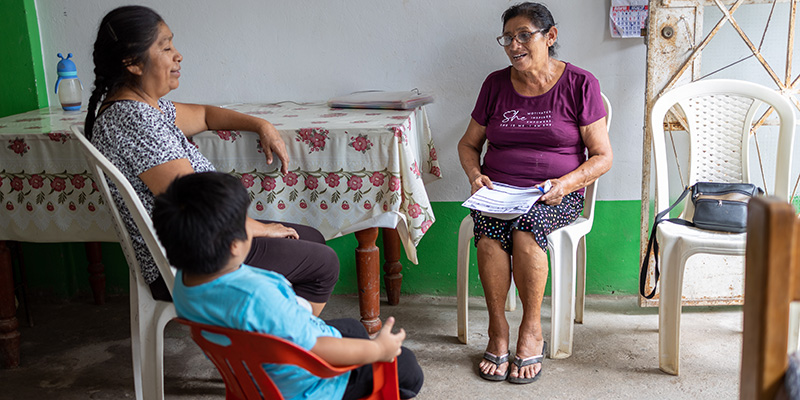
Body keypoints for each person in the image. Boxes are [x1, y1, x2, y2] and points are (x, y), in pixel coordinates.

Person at [84, 5, 338, 315]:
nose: (178, 55)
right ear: (133, 63)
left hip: (199, 243)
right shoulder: (135, 120)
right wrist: (253, 228)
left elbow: (205, 115)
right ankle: (282, 346)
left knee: (313, 240)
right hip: (192, 260)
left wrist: (261, 125)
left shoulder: (145, 108)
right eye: (165, 47)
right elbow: (194, 204)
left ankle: (269, 329)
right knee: (323, 263)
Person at [152, 171, 424, 399]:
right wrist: (378, 350)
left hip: (253, 376)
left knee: (353, 328)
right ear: (235, 245)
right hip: (308, 386)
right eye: (245, 222)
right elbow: (314, 349)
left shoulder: (183, 284)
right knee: (407, 367)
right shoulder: (257, 296)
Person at [457, 2, 613, 384]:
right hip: (499, 192)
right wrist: (476, 176)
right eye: (508, 38)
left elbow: (603, 156)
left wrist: (567, 184)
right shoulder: (495, 84)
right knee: (490, 236)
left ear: (551, 36)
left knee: (527, 228)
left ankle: (530, 329)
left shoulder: (580, 83)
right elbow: (467, 145)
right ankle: (498, 329)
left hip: (554, 194)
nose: (514, 45)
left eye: (524, 35)